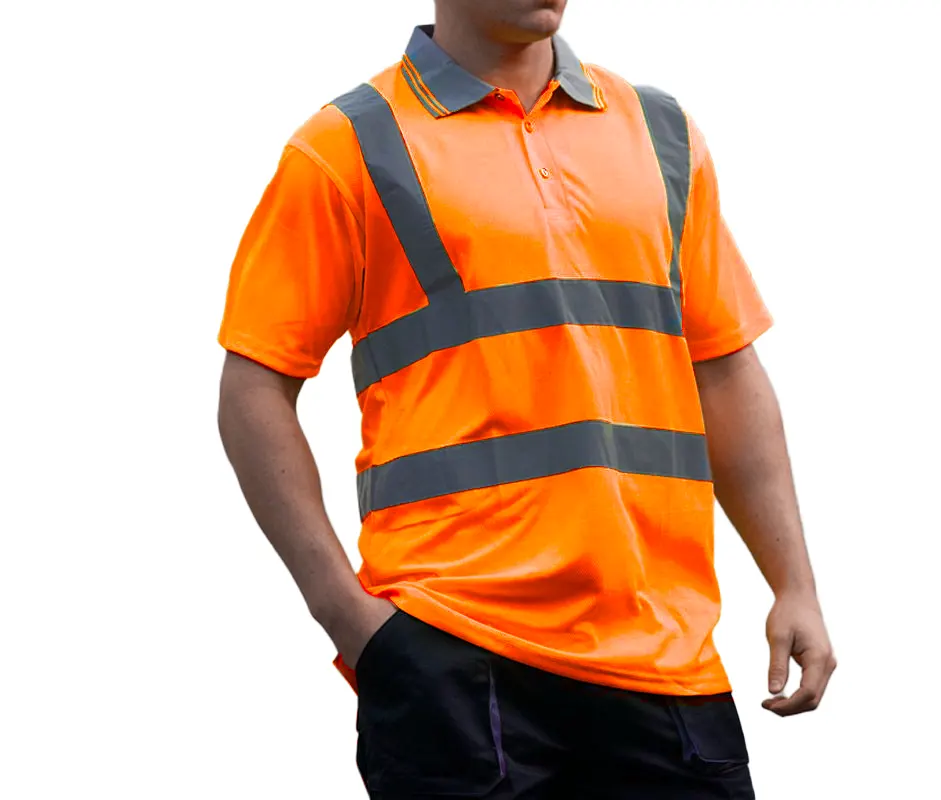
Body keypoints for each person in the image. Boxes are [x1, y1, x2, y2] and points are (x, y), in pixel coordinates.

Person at [216, 0, 836, 796]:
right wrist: (350, 621)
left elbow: (724, 369)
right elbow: (254, 386)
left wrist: (794, 583)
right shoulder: (348, 145)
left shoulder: (661, 133)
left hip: (666, 657)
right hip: (456, 654)